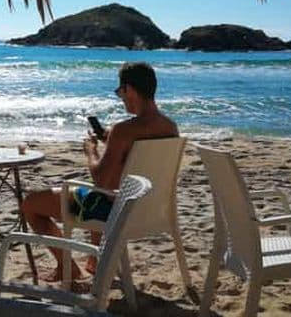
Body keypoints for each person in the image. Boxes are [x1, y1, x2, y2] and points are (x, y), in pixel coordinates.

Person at [21, 62, 178, 282]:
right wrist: (112, 143)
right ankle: (94, 261)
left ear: (129, 90)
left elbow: (100, 179)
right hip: (151, 207)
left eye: (119, 92)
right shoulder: (170, 127)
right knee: (104, 191)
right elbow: (134, 163)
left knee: (31, 203)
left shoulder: (123, 130)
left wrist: (91, 151)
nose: (121, 98)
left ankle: (68, 267)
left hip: (115, 212)